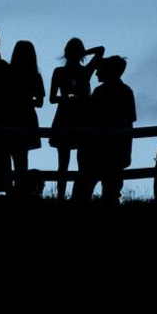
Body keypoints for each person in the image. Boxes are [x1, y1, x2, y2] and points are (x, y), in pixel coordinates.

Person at [73, 56, 136, 205]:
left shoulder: (100, 92)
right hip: (116, 150)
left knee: (84, 190)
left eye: (99, 70)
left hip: (97, 150)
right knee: (111, 192)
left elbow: (91, 118)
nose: (96, 74)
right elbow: (129, 123)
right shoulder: (126, 91)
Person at [49, 37, 104, 200]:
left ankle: (72, 196)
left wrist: (66, 98)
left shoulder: (68, 72)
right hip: (74, 117)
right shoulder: (82, 71)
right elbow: (52, 98)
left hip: (72, 118)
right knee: (73, 162)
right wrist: (68, 98)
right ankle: (68, 196)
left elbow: (101, 49)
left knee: (72, 162)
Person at [8, 40, 45, 194]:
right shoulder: (35, 76)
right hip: (26, 116)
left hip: (12, 116)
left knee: (14, 154)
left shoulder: (9, 73)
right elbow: (40, 102)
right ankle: (20, 188)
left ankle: (16, 188)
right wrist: (28, 99)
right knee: (22, 156)